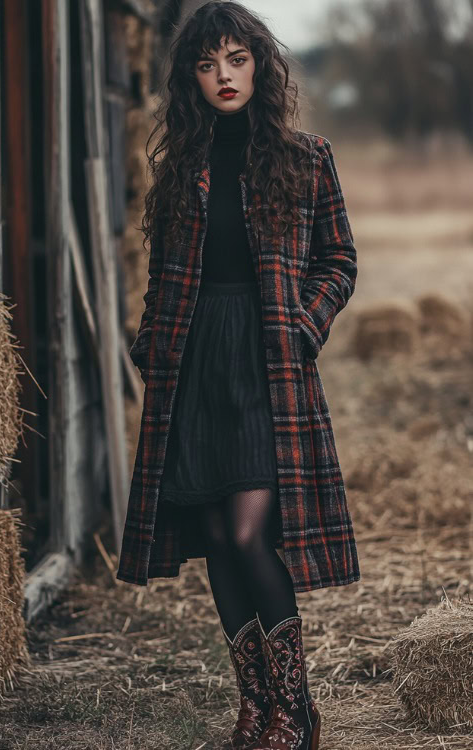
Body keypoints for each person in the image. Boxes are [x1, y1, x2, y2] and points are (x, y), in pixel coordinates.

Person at [117, 2, 360, 748]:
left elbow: (340, 261)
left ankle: (299, 709)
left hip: (267, 365)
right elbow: (162, 275)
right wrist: (152, 338)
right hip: (196, 364)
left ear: (260, 64)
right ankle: (257, 706)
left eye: (236, 58)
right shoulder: (181, 166)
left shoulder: (306, 157)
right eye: (205, 63)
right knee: (219, 536)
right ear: (191, 77)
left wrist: (301, 324)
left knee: (252, 531)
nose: (223, 75)